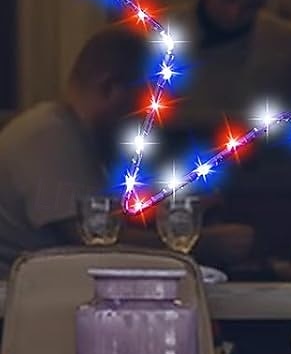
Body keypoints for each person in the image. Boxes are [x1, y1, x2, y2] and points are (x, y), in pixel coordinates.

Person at [0, 27, 250, 269]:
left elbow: (109, 227)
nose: (148, 119)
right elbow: (97, 245)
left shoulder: (71, 134)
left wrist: (176, 218)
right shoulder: (49, 136)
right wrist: (206, 244)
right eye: (146, 99)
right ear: (111, 88)